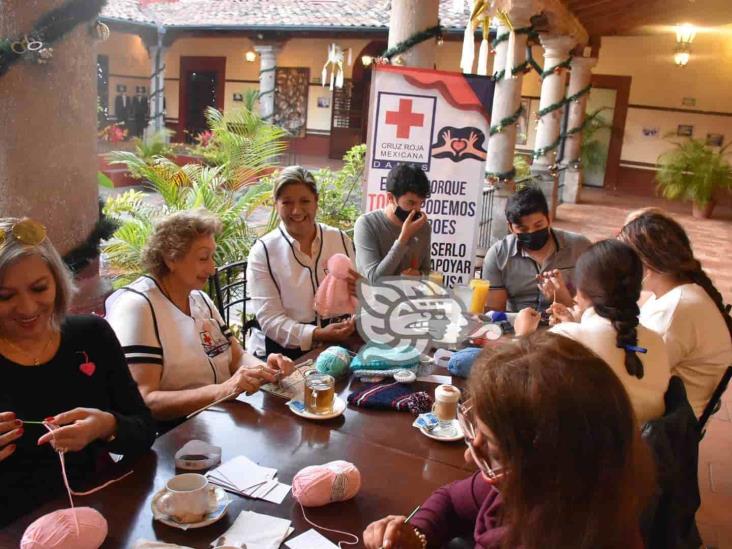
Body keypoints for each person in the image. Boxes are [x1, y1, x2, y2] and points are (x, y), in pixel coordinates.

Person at [363, 333, 655, 549]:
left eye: (492, 445)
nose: (470, 456)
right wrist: (417, 535)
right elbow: (452, 499)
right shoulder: (545, 485)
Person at [0, 218, 155, 526]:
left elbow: (144, 430)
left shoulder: (92, 336)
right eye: (5, 296)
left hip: (97, 515)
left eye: (39, 288)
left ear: (57, 281)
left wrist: (106, 426)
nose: (28, 308)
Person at [105, 209, 293, 426]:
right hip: (175, 435)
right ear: (170, 258)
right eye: (203, 258)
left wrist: (265, 369)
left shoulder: (199, 299)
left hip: (219, 422)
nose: (213, 269)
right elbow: (145, 400)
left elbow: (236, 356)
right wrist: (221, 391)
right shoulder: (138, 307)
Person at [514, 240, 670, 424]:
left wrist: (522, 336)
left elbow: (515, 382)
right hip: (644, 449)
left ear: (581, 289)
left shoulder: (568, 338)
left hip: (588, 450)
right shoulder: (656, 342)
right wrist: (574, 324)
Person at [619, 212, 732, 418]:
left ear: (648, 264)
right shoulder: (679, 292)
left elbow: (635, 373)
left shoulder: (676, 309)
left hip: (666, 425)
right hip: (673, 410)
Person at [247, 166, 358, 360]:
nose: (297, 211)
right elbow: (271, 320)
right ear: (276, 205)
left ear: (316, 202)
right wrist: (317, 334)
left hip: (340, 345)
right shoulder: (263, 252)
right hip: (285, 355)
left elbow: (358, 295)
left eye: (305, 201)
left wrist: (361, 290)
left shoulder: (338, 239)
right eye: (287, 203)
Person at [481, 186, 591, 313]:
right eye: (523, 229)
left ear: (548, 218)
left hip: (566, 324)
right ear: (511, 227)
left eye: (538, 225)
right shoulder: (498, 256)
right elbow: (495, 314)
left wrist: (563, 298)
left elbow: (593, 310)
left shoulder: (580, 248)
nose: (532, 232)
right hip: (516, 326)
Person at [354, 163, 431, 281]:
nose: (417, 210)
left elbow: (426, 272)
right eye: (411, 203)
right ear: (390, 198)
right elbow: (373, 279)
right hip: (374, 299)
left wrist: (419, 276)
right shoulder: (367, 224)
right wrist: (404, 238)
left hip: (411, 298)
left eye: (421, 203)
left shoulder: (423, 227)